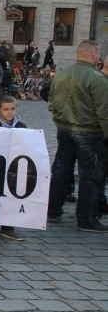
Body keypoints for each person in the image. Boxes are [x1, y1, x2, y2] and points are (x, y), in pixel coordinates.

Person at [47, 40, 108, 232]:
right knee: (90, 175)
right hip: (89, 132)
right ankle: (86, 219)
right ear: (94, 54)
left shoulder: (62, 74)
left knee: (61, 171)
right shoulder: (97, 78)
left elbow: (51, 102)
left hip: (64, 129)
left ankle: (53, 210)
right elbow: (104, 112)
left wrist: (59, 120)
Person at [0, 95, 28, 242]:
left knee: (12, 197)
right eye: (6, 109)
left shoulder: (21, 125)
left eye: (12, 109)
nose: (9, 112)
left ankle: (8, 228)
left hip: (14, 168)